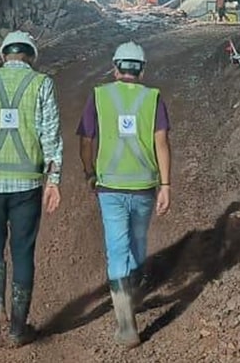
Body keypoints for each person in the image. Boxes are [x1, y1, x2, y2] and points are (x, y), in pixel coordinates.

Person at [0, 30, 63, 346]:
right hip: (28, 185)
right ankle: (18, 329)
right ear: (31, 56)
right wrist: (54, 181)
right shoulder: (41, 84)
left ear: (4, 55)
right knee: (22, 252)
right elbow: (51, 135)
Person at [78, 41, 172, 347]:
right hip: (144, 186)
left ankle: (125, 321)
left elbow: (86, 140)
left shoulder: (99, 96)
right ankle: (133, 289)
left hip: (110, 187)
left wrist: (89, 173)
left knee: (117, 249)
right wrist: (166, 185)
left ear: (115, 68)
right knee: (138, 241)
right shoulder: (153, 98)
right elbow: (161, 144)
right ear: (142, 71)